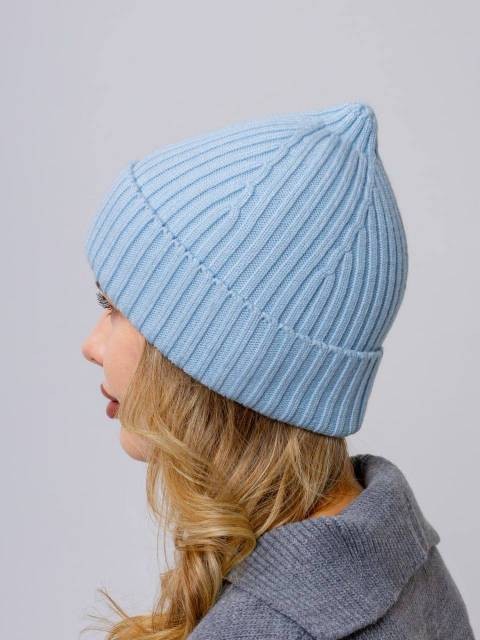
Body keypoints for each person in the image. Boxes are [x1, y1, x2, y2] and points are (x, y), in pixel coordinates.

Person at [80, 102, 475, 639]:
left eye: (113, 307)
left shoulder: (265, 627)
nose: (92, 346)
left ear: (216, 355)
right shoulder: (402, 563)